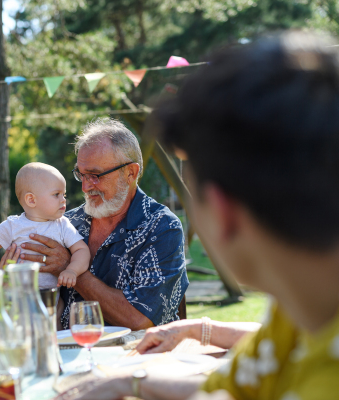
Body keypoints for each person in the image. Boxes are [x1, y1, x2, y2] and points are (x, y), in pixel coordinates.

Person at [57, 31, 339, 400]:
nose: (88, 184)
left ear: (222, 213)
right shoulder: (298, 319)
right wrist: (129, 383)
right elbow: (228, 389)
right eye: (84, 175)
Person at [14, 118, 188, 330]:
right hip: (67, 355)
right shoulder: (66, 222)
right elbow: (32, 304)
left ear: (130, 173)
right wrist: (14, 275)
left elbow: (140, 319)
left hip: (134, 358)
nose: (86, 187)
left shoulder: (161, 227)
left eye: (96, 175)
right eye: (81, 174)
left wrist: (71, 269)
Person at [0, 162, 90, 292]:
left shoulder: (62, 225)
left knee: (56, 314)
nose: (63, 199)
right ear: (31, 200)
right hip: (17, 293)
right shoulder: (13, 225)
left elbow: (81, 249)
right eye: (56, 194)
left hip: (50, 294)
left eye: (63, 194)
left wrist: (72, 270)